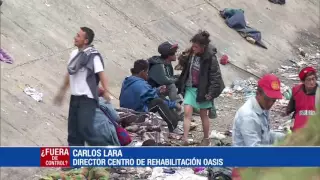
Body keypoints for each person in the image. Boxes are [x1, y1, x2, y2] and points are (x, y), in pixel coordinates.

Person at [54, 27, 111, 146]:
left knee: (86, 130)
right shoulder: (74, 54)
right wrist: (62, 91)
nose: (75, 37)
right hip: (75, 98)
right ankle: (75, 162)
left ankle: (107, 150)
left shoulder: (93, 55)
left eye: (78, 36)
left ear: (86, 41)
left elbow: (101, 74)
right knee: (73, 133)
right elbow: (69, 74)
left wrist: (106, 91)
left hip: (87, 99)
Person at [177, 30, 225, 145]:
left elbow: (215, 76)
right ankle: (185, 138)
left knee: (204, 114)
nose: (194, 48)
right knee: (187, 112)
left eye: (196, 47)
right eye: (193, 46)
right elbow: (185, 67)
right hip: (190, 87)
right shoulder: (192, 54)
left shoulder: (210, 58)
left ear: (203, 47)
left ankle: (206, 138)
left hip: (203, 90)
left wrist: (211, 93)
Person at [119, 59, 183, 134]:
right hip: (137, 114)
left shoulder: (128, 81)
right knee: (159, 102)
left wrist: (157, 91)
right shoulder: (141, 84)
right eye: (147, 72)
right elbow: (154, 98)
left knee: (159, 98)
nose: (148, 75)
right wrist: (174, 104)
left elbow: (143, 94)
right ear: (142, 72)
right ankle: (174, 126)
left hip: (127, 112)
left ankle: (177, 120)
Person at [232, 74, 286, 147]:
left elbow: (265, 135)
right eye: (267, 99)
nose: (270, 104)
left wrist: (285, 138)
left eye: (273, 100)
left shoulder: (263, 107)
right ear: (258, 94)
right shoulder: (248, 116)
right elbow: (255, 149)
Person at [285, 66, 319, 131]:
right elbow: (289, 110)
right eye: (309, 80)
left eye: (313, 79)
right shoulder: (296, 91)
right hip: (298, 130)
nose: (312, 82)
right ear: (303, 81)